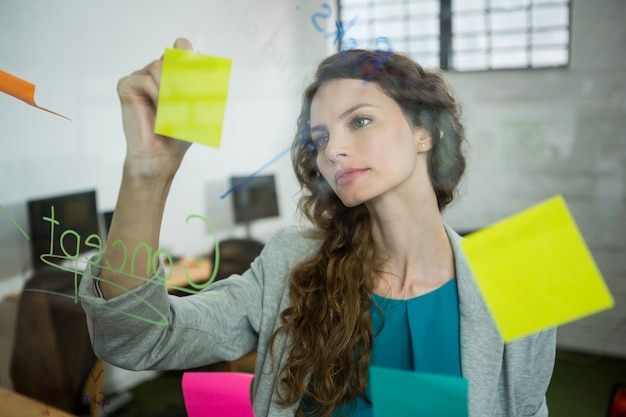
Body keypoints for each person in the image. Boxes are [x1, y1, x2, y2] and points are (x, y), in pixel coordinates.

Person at [79, 38, 556, 417]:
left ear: (424, 131)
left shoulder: (523, 278)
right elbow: (136, 338)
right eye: (320, 138)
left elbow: (531, 408)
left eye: (361, 121)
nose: (333, 151)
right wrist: (148, 173)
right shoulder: (292, 261)